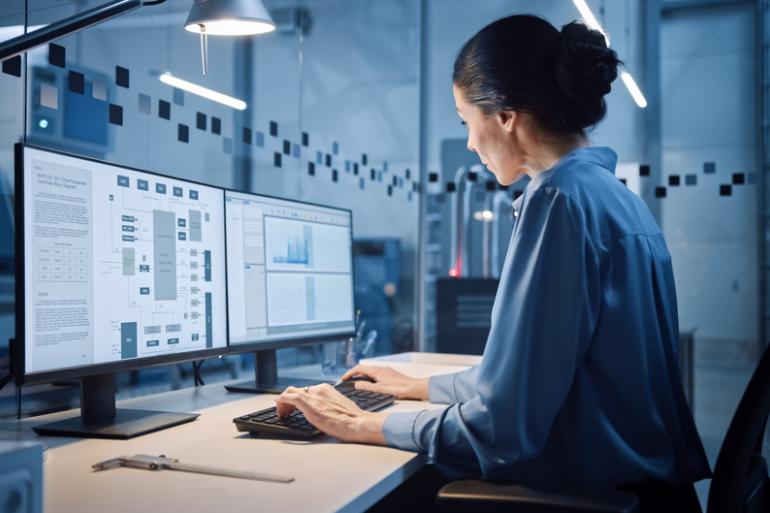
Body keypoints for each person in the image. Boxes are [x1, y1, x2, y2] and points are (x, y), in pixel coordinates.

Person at [276, 14, 711, 511]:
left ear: (505, 116)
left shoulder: (560, 202)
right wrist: (420, 386)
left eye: (467, 120)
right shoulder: (611, 196)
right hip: (651, 493)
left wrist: (364, 422)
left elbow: (504, 431)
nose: (468, 143)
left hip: (599, 495)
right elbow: (527, 381)